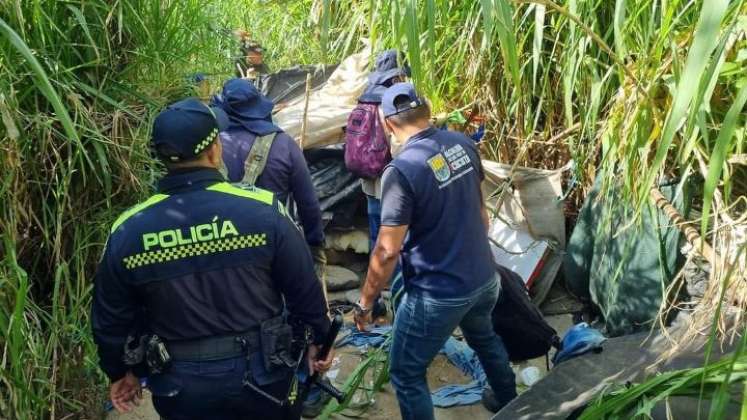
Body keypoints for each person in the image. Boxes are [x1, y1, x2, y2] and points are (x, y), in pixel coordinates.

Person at [91, 98, 332, 420]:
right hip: (263, 377)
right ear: (215, 149)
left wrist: (121, 372)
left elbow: (111, 318)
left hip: (180, 385)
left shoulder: (130, 229)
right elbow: (304, 287)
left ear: (161, 158)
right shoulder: (263, 211)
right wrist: (318, 339)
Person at [353, 83, 517, 419]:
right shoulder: (462, 143)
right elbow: (481, 214)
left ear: (387, 124)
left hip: (438, 294)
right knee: (484, 338)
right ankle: (509, 400)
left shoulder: (401, 171)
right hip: (485, 278)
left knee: (406, 373)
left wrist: (366, 302)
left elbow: (386, 252)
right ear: (426, 111)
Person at [212, 79, 327, 282]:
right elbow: (308, 204)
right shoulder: (284, 144)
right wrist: (315, 244)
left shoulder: (209, 148)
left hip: (219, 245)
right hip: (271, 243)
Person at [357, 49, 409, 312]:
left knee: (376, 244)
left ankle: (375, 305)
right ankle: (401, 308)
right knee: (395, 246)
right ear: (397, 75)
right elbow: (401, 150)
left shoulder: (363, 100)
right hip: (392, 188)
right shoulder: (394, 102)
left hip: (369, 185)